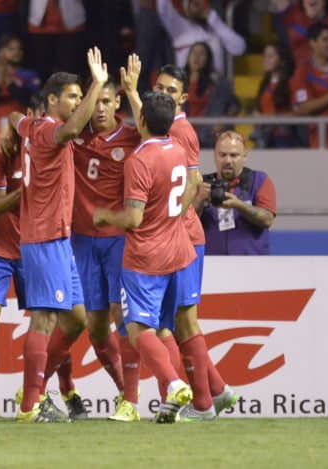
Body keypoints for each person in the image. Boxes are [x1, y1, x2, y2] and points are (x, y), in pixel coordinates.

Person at [121, 57, 238, 421]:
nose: (164, 97)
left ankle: (202, 401)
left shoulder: (183, 132)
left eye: (171, 92)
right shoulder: (167, 127)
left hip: (180, 238)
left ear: (184, 98)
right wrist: (130, 91)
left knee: (180, 323)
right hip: (173, 237)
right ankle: (216, 391)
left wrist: (174, 216)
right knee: (171, 325)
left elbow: (195, 183)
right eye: (159, 90)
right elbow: (151, 124)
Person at [4, 47, 107, 423]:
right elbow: (74, 128)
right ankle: (31, 404)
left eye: (81, 96)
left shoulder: (30, 126)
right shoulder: (49, 130)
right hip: (45, 238)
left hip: (58, 240)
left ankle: (34, 389)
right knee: (44, 319)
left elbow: (14, 117)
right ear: (52, 100)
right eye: (73, 96)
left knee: (76, 318)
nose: (79, 102)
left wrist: (8, 123)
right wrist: (97, 83)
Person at [93, 91, 195, 424]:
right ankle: (168, 406)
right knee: (165, 331)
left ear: (141, 121)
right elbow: (193, 185)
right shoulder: (178, 150)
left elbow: (133, 218)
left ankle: (173, 384)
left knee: (136, 330)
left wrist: (106, 215)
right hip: (178, 251)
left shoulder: (138, 160)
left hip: (146, 257)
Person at [70, 76, 141, 419]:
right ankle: (122, 392)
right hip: (82, 240)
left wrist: (135, 91)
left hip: (118, 240)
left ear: (117, 104)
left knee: (121, 315)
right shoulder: (75, 136)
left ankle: (132, 398)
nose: (99, 108)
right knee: (95, 326)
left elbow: (157, 134)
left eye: (106, 101)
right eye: (94, 101)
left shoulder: (131, 137)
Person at [0, 95, 42, 422]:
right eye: (36, 117)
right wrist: (28, 188)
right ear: (29, 116)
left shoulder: (49, 148)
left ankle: (62, 392)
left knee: (51, 319)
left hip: (32, 246)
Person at [195, 131, 276, 255]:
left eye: (234, 155)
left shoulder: (260, 180)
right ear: (215, 155)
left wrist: (239, 205)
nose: (228, 160)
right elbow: (182, 225)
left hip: (253, 266)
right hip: (211, 265)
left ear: (244, 156)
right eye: (222, 155)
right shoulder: (201, 184)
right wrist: (199, 200)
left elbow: (267, 220)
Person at [155, 0, 246, 74]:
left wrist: (211, 18)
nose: (198, 6)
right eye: (194, 3)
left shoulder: (216, 27)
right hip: (187, 86)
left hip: (212, 86)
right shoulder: (179, 27)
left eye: (202, 3)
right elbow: (163, 8)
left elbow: (239, 48)